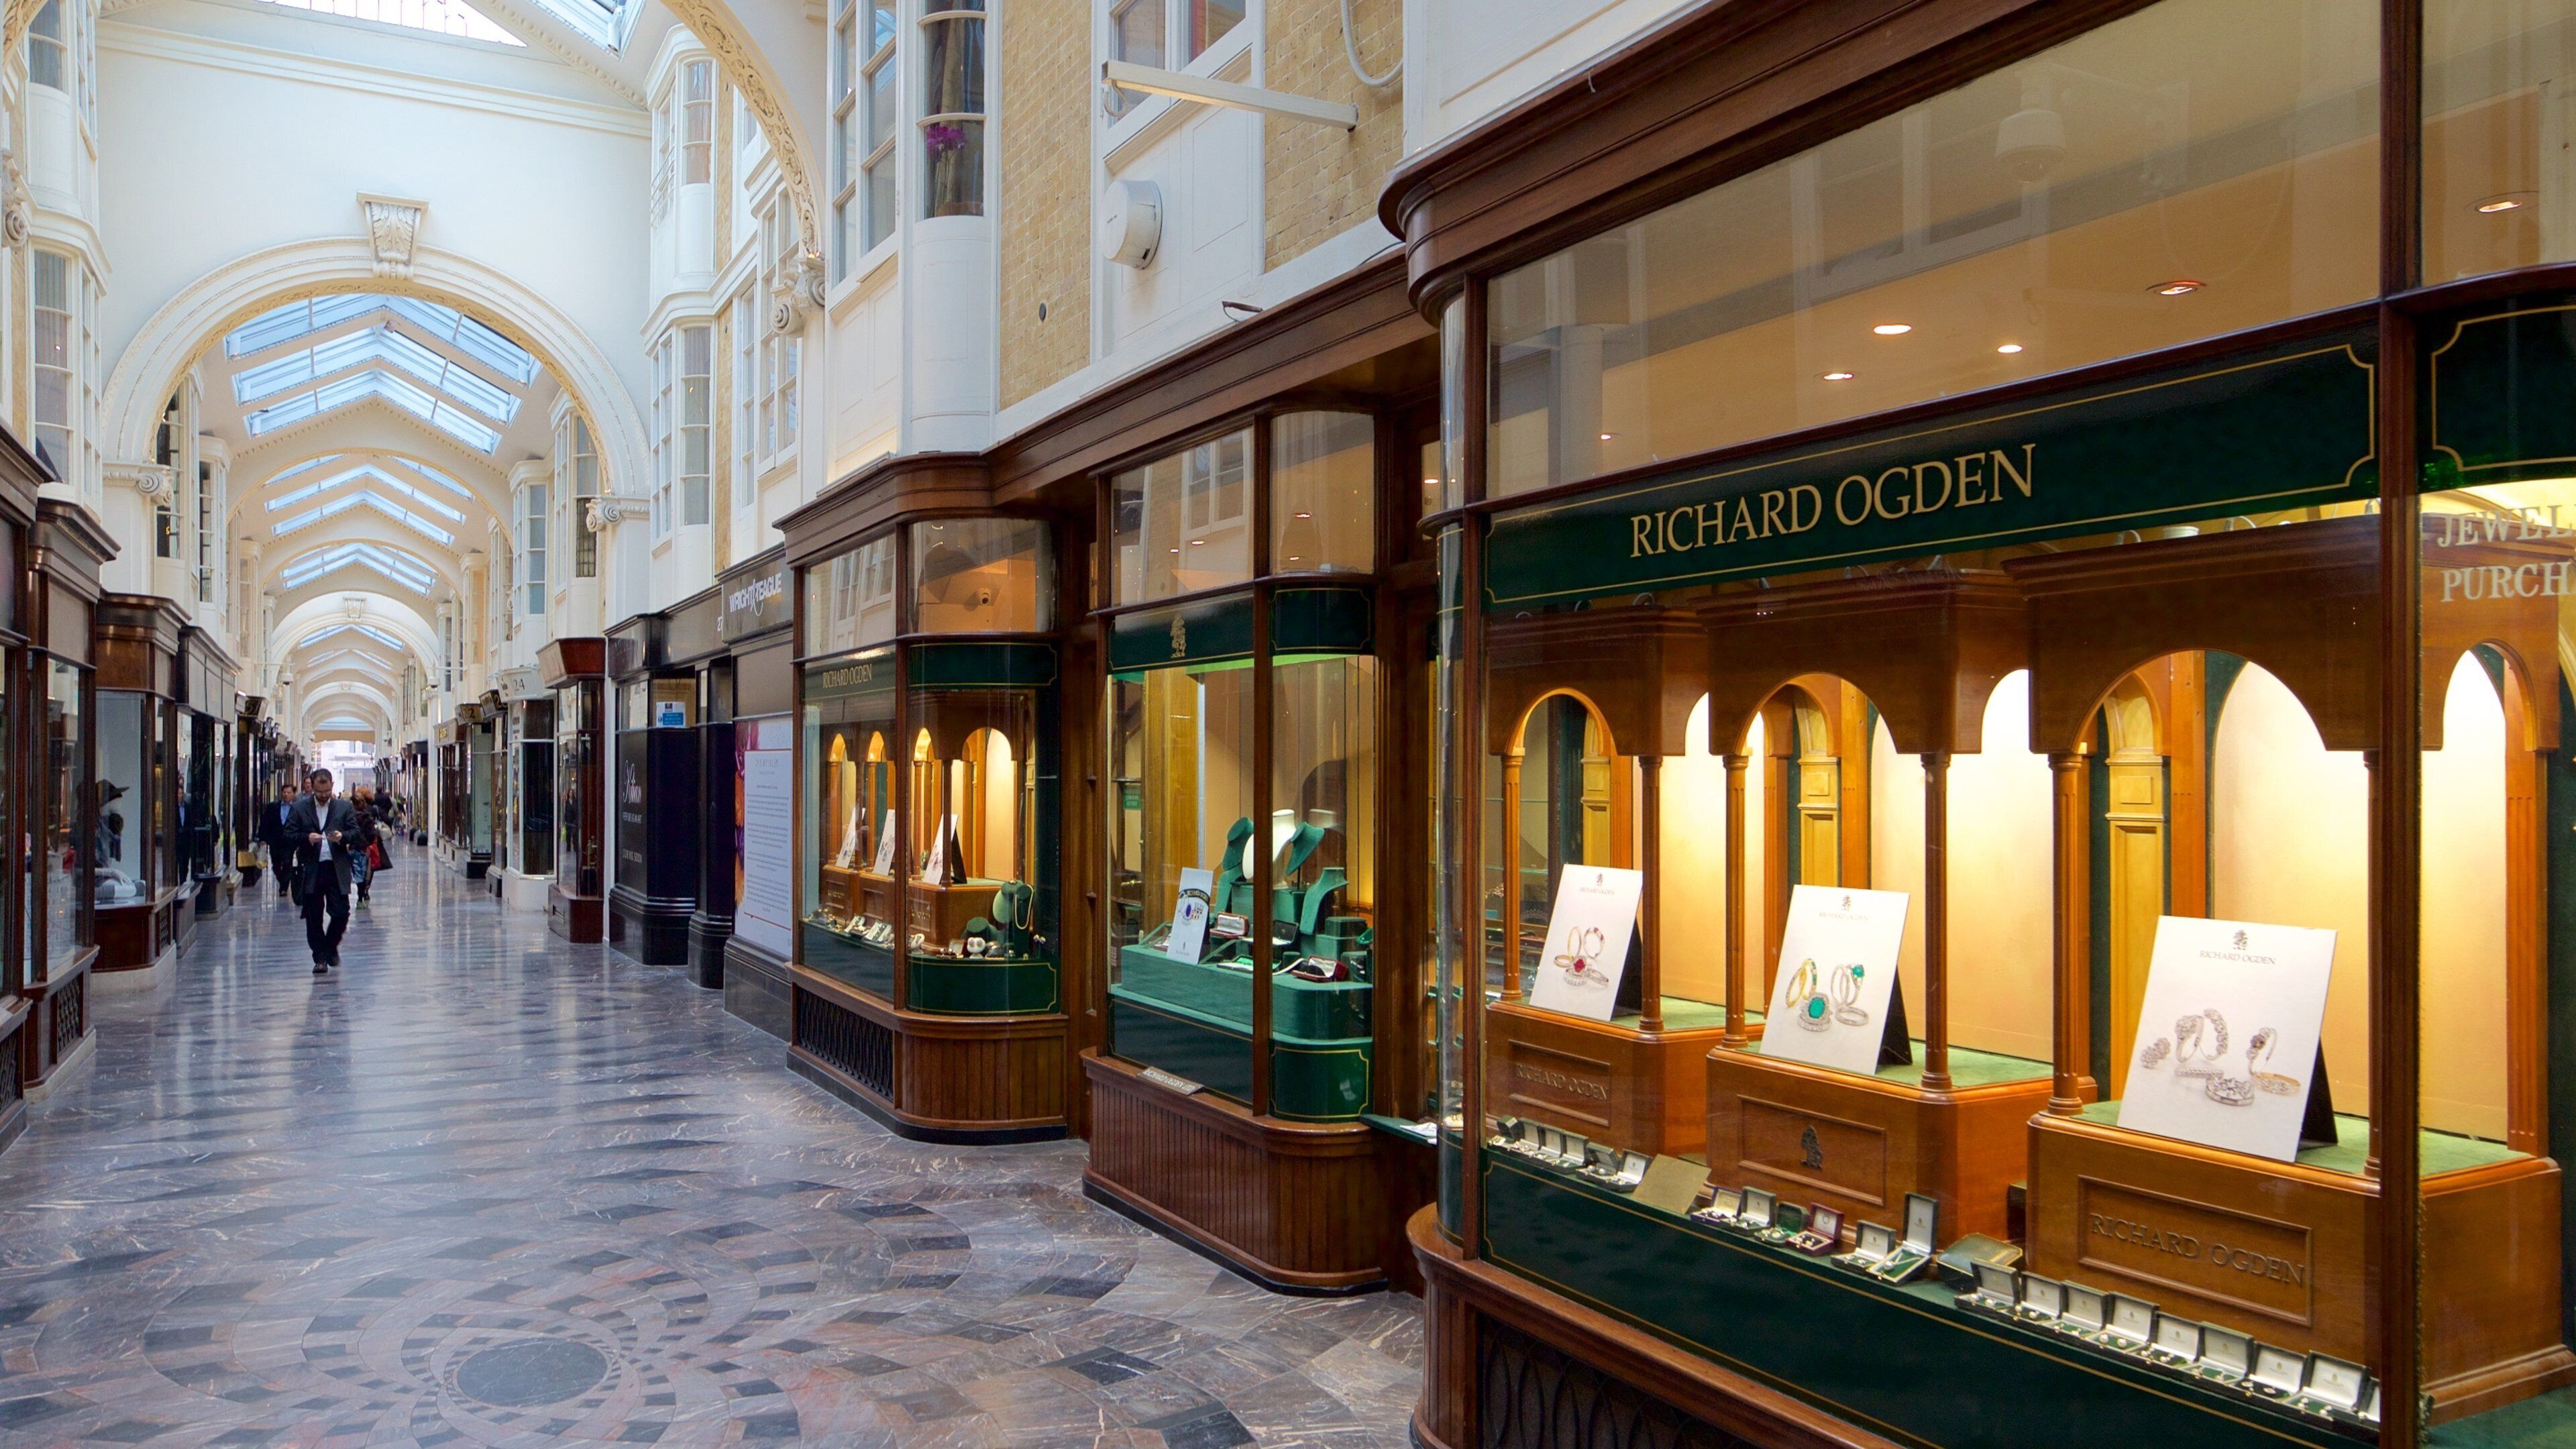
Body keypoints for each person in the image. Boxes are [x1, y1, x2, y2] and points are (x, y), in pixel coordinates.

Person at [285, 767, 358, 975]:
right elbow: (288, 835)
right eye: (319, 793)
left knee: (341, 912)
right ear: (312, 788)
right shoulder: (300, 808)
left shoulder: (344, 808)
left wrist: (342, 836)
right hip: (312, 869)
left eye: (327, 792)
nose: (324, 797)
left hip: (335, 869)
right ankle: (320, 958)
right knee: (313, 916)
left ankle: (330, 946)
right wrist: (306, 838)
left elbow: (355, 833)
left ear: (332, 786)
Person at [260, 780, 302, 902]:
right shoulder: (273, 807)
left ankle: (284, 887)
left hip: (290, 841)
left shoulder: (298, 808)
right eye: (284, 792)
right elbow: (265, 823)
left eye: (289, 792)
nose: (286, 795)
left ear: (294, 794)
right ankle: (282, 880)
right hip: (275, 840)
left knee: (287, 862)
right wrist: (263, 838)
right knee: (276, 864)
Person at [347, 786, 380, 909]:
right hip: (362, 849)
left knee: (351, 873)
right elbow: (372, 834)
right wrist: (367, 843)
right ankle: (361, 897)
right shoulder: (367, 818)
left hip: (350, 848)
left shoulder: (349, 817)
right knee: (362, 873)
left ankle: (355, 896)